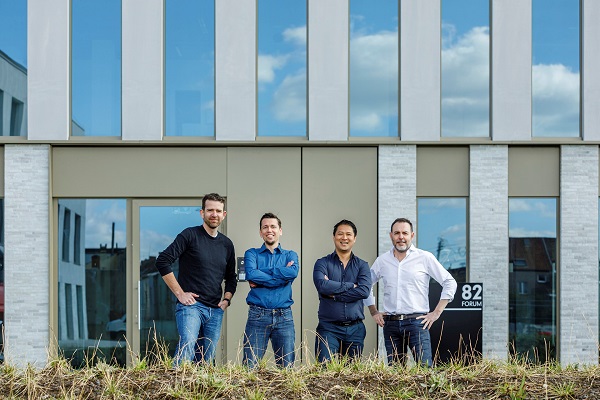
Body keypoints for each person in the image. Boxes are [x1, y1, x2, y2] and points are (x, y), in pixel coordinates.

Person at [155, 193, 237, 365]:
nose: (214, 214)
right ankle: (177, 381)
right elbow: (163, 261)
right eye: (210, 210)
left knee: (206, 359)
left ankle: (199, 383)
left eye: (218, 211)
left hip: (215, 310)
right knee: (187, 347)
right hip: (191, 307)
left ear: (224, 215)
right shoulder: (190, 235)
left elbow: (231, 277)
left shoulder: (227, 244)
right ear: (202, 213)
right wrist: (180, 294)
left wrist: (226, 300)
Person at [365, 217, 457, 367]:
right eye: (397, 233)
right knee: (395, 373)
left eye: (405, 233)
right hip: (391, 324)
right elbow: (365, 285)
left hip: (417, 323)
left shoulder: (424, 257)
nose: (401, 237)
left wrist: (436, 312)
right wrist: (373, 311)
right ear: (391, 236)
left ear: (412, 235)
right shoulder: (382, 261)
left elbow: (449, 282)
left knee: (425, 370)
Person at [242, 213, 299, 368]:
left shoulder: (290, 255)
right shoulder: (251, 253)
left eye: (273, 226)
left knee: (287, 368)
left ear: (280, 230)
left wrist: (262, 276)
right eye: (265, 227)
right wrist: (282, 275)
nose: (269, 230)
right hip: (257, 315)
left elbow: (293, 272)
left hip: (284, 316)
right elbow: (251, 274)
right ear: (260, 232)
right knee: (250, 366)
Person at [313, 219, 371, 363]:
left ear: (354, 238)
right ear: (334, 237)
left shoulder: (362, 266)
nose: (344, 238)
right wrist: (351, 286)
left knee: (352, 373)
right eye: (340, 234)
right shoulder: (322, 263)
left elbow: (364, 291)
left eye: (348, 234)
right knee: (324, 371)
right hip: (328, 329)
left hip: (355, 330)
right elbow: (322, 285)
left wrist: (334, 295)